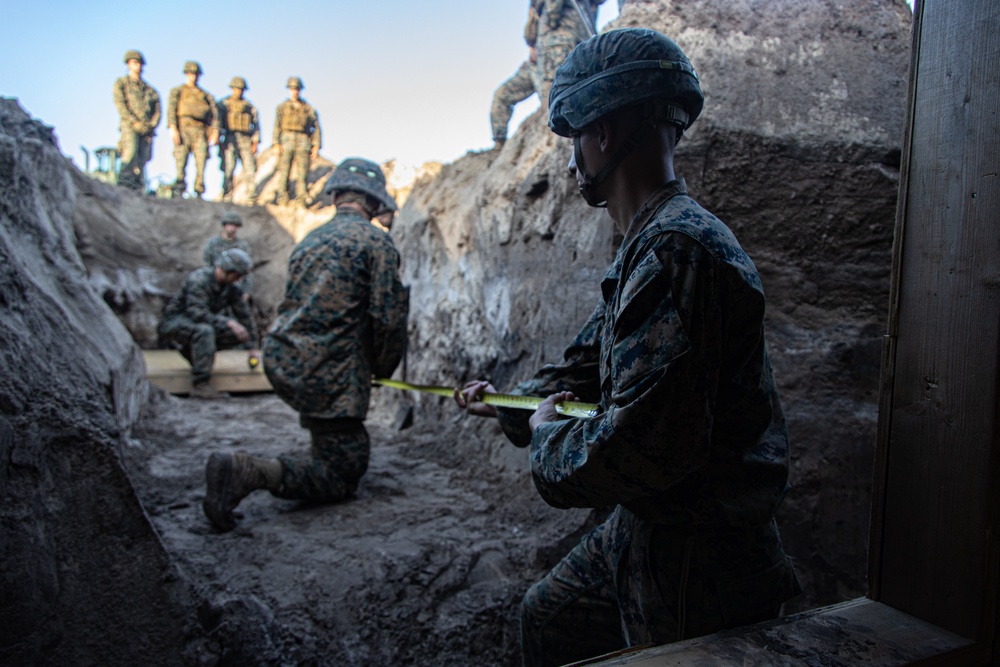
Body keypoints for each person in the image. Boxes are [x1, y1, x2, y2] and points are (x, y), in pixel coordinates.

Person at [456, 28, 800, 666]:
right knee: (549, 618)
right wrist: (508, 404)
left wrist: (547, 438)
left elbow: (643, 448)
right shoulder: (650, 246)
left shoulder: (676, 251)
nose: (571, 163)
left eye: (575, 142)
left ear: (604, 134)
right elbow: (591, 369)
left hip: (700, 551)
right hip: (652, 525)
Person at [202, 157, 408, 533]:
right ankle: (248, 472)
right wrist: (380, 369)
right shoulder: (376, 242)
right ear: (374, 203)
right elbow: (388, 319)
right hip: (330, 370)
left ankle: (313, 450)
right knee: (343, 474)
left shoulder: (309, 240)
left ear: (337, 196)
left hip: (286, 359)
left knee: (329, 436)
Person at [490, 1, 601, 149]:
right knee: (503, 94)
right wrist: (533, 46)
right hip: (540, 54)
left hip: (559, 39)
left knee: (555, 98)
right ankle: (499, 146)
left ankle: (567, 146)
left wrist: (552, 18)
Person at [158, 248, 260, 400]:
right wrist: (229, 322)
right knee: (205, 331)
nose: (237, 280)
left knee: (238, 333)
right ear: (226, 270)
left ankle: (192, 353)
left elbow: (244, 315)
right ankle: (201, 385)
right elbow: (197, 313)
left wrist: (253, 347)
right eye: (236, 275)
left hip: (200, 323)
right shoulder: (199, 280)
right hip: (176, 321)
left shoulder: (231, 288)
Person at [167, 60, 220, 199]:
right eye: (191, 73)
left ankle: (199, 191)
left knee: (201, 162)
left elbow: (214, 116)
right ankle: (179, 189)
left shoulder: (206, 96)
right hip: (183, 128)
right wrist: (173, 127)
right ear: (186, 74)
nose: (193, 76)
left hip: (200, 130)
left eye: (196, 74)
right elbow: (171, 110)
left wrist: (214, 131)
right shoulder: (178, 91)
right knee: (181, 161)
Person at [113, 49, 161, 191]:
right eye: (134, 63)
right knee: (130, 153)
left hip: (146, 129)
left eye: (140, 63)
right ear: (128, 64)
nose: (138, 66)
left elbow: (158, 110)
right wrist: (133, 121)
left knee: (143, 158)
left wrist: (151, 125)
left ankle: (138, 186)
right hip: (130, 125)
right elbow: (120, 104)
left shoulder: (150, 90)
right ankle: (124, 185)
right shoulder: (122, 83)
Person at [272, 77, 322, 207]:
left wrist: (316, 145)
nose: (295, 92)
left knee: (302, 172)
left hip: (303, 141)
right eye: (292, 89)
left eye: (297, 89)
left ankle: (301, 199)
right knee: (284, 170)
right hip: (286, 139)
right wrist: (276, 143)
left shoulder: (308, 109)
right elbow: (276, 125)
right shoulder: (282, 107)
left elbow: (316, 128)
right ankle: (282, 197)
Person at [217, 76, 260, 204]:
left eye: (241, 89)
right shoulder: (223, 104)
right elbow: (217, 123)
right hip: (229, 138)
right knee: (228, 169)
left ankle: (251, 197)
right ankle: (227, 196)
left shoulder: (249, 107)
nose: (239, 91)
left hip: (246, 139)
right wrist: (220, 141)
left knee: (249, 170)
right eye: (236, 89)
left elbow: (256, 126)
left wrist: (255, 141)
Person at [202, 211, 254, 302]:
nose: (233, 228)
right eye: (230, 224)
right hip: (214, 286)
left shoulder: (242, 246)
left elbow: (247, 271)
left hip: (235, 288)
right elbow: (206, 266)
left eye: (235, 226)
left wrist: (247, 292)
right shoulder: (213, 244)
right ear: (224, 225)